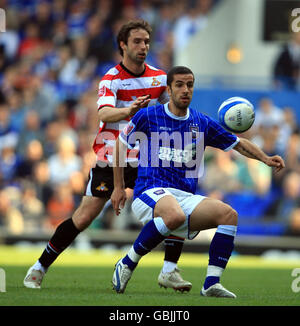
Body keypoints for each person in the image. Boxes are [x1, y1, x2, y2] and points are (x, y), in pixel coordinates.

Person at [24, 20, 191, 292]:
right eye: (137, 41)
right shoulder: (111, 78)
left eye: (146, 41)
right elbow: (103, 114)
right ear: (123, 45)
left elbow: (171, 110)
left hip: (146, 160)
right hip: (111, 156)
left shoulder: (160, 79)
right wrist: (128, 112)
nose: (143, 46)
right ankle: (39, 267)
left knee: (174, 207)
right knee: (83, 217)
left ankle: (170, 270)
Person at [111, 66, 285, 297]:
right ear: (169, 89)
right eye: (180, 85)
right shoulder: (148, 116)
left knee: (228, 215)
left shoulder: (200, 122)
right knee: (174, 216)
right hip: (149, 191)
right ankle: (127, 263)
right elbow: (120, 146)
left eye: (190, 85)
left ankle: (211, 283)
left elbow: (239, 143)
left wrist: (265, 158)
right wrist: (118, 187)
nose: (185, 90)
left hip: (183, 197)